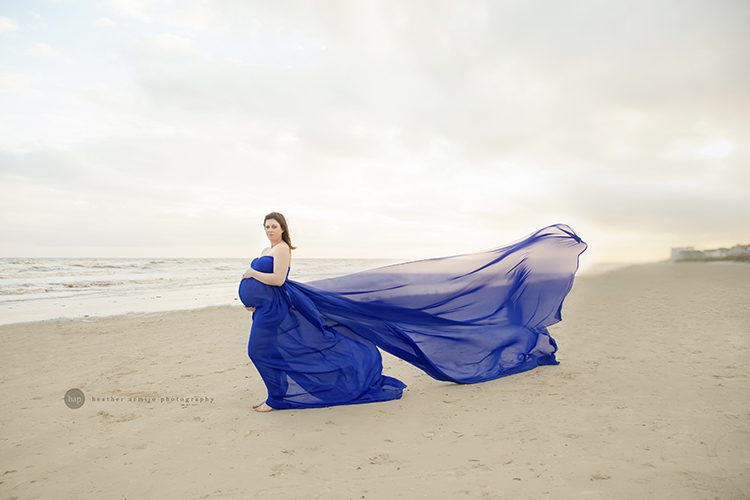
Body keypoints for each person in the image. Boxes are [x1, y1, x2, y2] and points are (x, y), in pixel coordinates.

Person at [239, 213, 588, 413]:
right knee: (273, 350)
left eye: (274, 225)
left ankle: (277, 398)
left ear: (284, 229)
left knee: (260, 351)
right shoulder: (269, 246)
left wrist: (253, 276)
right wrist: (256, 301)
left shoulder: (281, 249)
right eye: (267, 225)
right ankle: (279, 395)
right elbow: (274, 288)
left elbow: (279, 279)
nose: (270, 229)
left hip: (276, 310)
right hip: (270, 312)